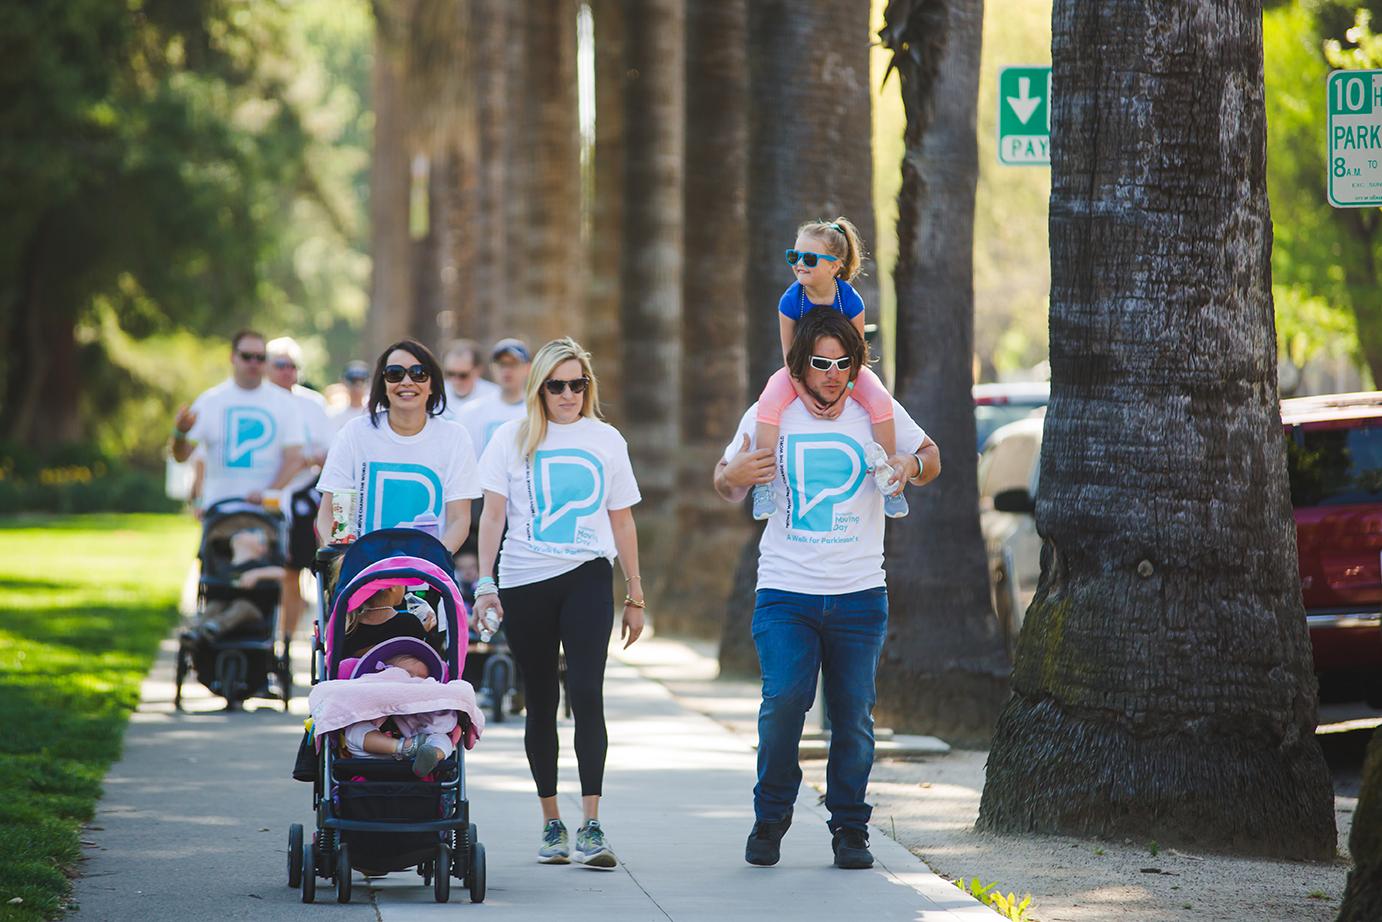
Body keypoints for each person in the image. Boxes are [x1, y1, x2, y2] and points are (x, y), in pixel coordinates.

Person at [713, 308, 940, 871]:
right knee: (785, 701)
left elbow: (932, 456)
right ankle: (771, 818)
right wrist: (736, 476)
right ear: (801, 365)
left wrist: (909, 465)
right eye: (821, 363)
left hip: (860, 594)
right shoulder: (774, 412)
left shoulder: (872, 410)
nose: (833, 374)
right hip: (786, 592)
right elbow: (723, 479)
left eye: (844, 363)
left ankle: (850, 829)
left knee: (853, 714)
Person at [473, 337, 645, 870]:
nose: (568, 394)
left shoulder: (606, 439)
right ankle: (552, 822)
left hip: (588, 576)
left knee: (588, 692)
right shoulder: (511, 438)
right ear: (539, 387)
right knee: (540, 697)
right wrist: (485, 583)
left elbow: (621, 519)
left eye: (578, 384)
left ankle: (592, 824)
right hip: (525, 580)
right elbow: (493, 516)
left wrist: (635, 592)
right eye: (557, 385)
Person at [752, 218, 908, 521]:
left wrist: (845, 393)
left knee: (879, 400)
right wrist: (806, 397)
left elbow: (857, 354)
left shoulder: (849, 301)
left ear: (835, 266)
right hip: (800, 370)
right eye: (793, 257)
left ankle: (889, 479)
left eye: (809, 259)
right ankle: (763, 484)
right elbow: (789, 358)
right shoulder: (790, 301)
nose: (799, 265)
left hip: (849, 369)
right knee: (769, 402)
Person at [315, 339, 480, 554]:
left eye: (418, 373)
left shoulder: (454, 437)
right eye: (395, 373)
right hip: (362, 570)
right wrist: (346, 561)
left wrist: (431, 564)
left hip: (425, 571)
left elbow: (458, 520)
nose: (407, 381)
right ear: (383, 384)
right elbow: (333, 513)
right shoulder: (355, 433)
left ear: (432, 385)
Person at [171, 330, 305, 511]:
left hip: (268, 515)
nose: (253, 363)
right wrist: (180, 433)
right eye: (247, 356)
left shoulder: (285, 404)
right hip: (219, 513)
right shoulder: (209, 402)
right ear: (233, 357)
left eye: (260, 357)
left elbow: (295, 459)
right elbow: (182, 456)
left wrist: (267, 492)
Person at [266, 336, 335, 654]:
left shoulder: (312, 403)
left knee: (298, 572)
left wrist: (301, 459)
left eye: (293, 366)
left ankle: (287, 640)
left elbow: (327, 452)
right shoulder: (260, 402)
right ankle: (267, 637)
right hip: (265, 498)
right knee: (274, 574)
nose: (287, 372)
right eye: (280, 365)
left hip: (303, 497)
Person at [338, 588, 452, 777]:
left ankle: (404, 748)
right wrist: (425, 632)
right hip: (413, 720)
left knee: (355, 734)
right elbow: (420, 648)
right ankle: (426, 751)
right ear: (393, 587)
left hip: (376, 745)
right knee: (442, 738)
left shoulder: (348, 626)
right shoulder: (408, 622)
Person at [182, 527, 284, 643]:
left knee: (242, 605)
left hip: (253, 612)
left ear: (262, 548)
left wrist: (256, 574)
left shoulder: (261, 566)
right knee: (215, 605)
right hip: (226, 605)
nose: (241, 533)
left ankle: (215, 626)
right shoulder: (224, 568)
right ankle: (198, 630)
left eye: (249, 533)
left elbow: (282, 573)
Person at [455, 338, 530, 457]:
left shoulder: (537, 411)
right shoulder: (470, 412)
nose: (506, 370)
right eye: (501, 364)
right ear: (492, 368)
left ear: (527, 368)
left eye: (513, 364)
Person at [439, 339, 500, 420]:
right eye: (450, 373)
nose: (456, 381)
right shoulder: (436, 395)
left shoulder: (494, 396)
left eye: (463, 375)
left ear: (478, 371)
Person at [328, 360, 371, 435]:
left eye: (361, 382)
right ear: (344, 383)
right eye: (353, 382)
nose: (356, 388)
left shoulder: (374, 413)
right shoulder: (335, 415)